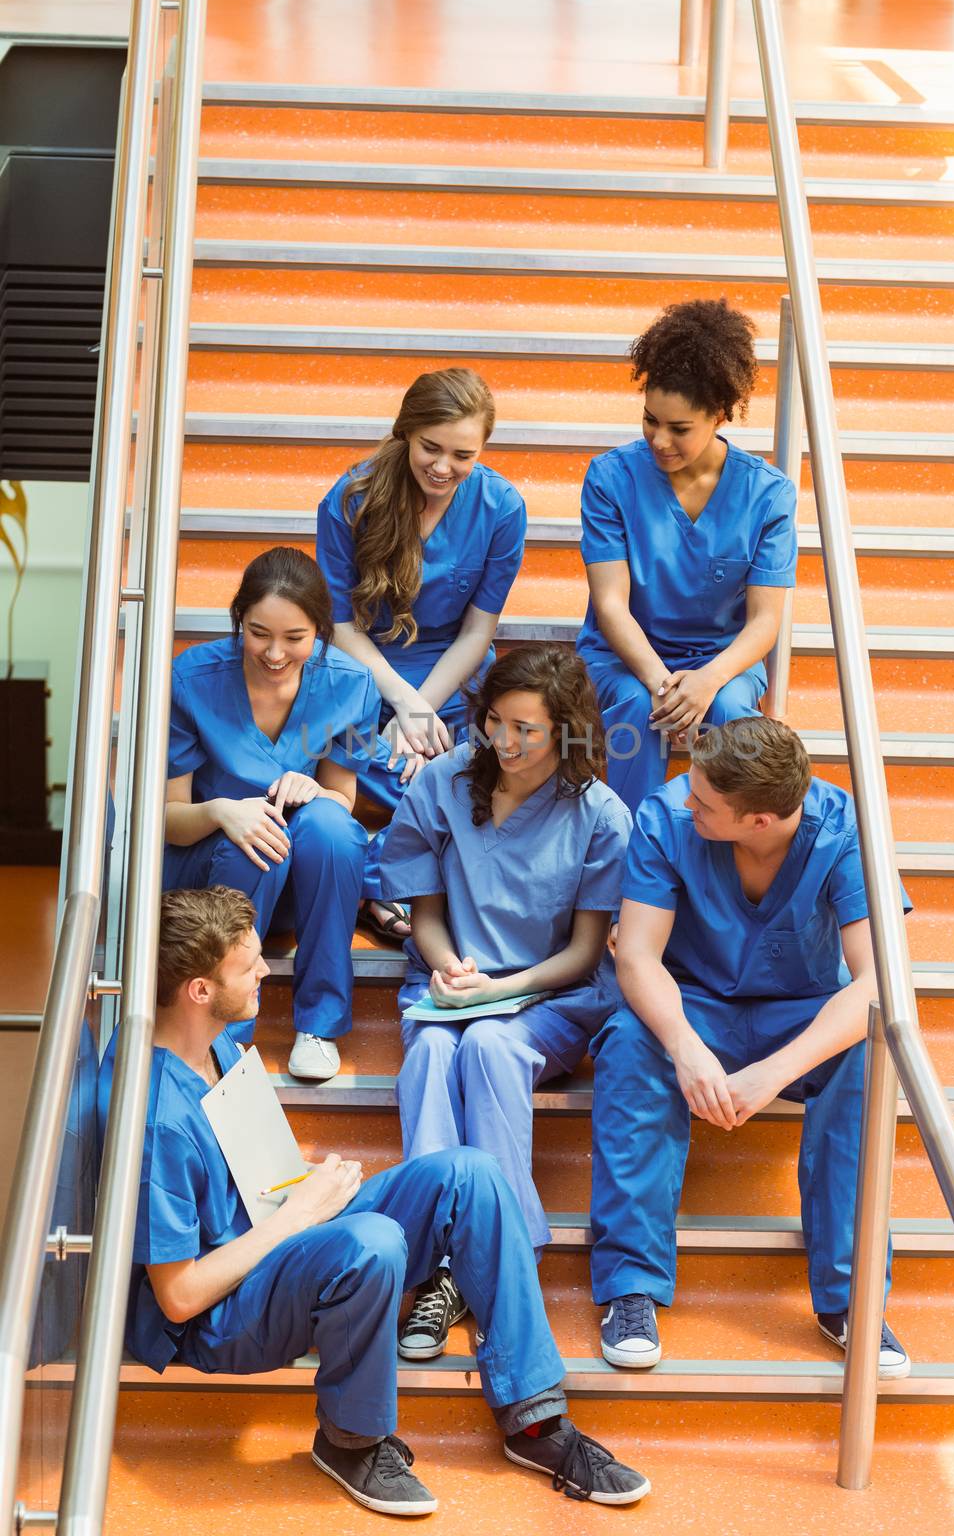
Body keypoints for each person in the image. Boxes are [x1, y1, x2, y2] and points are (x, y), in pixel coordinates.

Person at [97, 886, 650, 1513]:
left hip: (273, 1241)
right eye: (248, 964)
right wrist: (305, 1214)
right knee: (374, 1243)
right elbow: (179, 1297)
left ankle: (536, 1423)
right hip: (217, 1318)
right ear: (199, 990)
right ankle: (351, 1442)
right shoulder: (157, 1121)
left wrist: (309, 1187)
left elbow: (257, 1174)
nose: (265, 970)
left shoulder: (216, 1046)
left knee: (472, 1174)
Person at [588, 716, 912, 1377]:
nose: (688, 801)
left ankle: (849, 1303)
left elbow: (882, 980)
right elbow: (640, 958)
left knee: (868, 1051)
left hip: (800, 1015)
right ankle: (631, 1288)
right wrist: (684, 1045)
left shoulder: (843, 827)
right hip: (695, 1004)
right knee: (628, 1040)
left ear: (760, 819)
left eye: (706, 801)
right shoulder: (666, 816)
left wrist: (773, 1074)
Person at [378, 645, 631, 1360]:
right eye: (495, 721)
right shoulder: (445, 781)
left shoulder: (600, 814)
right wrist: (446, 967)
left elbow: (585, 953)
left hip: (546, 996)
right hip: (448, 989)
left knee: (489, 1045)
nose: (506, 742)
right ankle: (438, 1265)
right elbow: (424, 912)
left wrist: (502, 991)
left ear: (568, 731)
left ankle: (495, 1263)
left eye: (527, 728)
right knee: (429, 1052)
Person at [316, 367, 527, 942]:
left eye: (463, 455)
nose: (442, 467)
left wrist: (421, 711)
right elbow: (339, 625)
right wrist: (403, 705)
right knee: (362, 753)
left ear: (482, 449)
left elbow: (477, 632)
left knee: (473, 761)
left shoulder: (502, 507)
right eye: (430, 447)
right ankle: (389, 878)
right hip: (364, 667)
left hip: (453, 674)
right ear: (405, 432)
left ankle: (372, 874)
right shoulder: (352, 497)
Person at [163, 546, 381, 1082]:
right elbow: (168, 817)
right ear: (239, 619)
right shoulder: (194, 678)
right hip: (212, 873)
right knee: (252, 838)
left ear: (321, 631)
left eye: (295, 638)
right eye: (259, 633)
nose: (275, 653)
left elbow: (343, 800)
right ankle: (226, 1037)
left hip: (298, 873)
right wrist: (220, 811)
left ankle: (319, 1024)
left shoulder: (351, 685)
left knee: (332, 828)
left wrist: (315, 788)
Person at [576, 298, 797, 816]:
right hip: (625, 657)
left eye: (680, 429)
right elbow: (610, 605)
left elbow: (765, 622)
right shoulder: (611, 478)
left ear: (719, 417)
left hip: (721, 660)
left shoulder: (767, 493)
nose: (659, 439)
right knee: (637, 706)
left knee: (731, 713)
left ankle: (720, 854)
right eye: (650, 420)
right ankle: (629, 858)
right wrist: (664, 684)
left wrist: (708, 680)